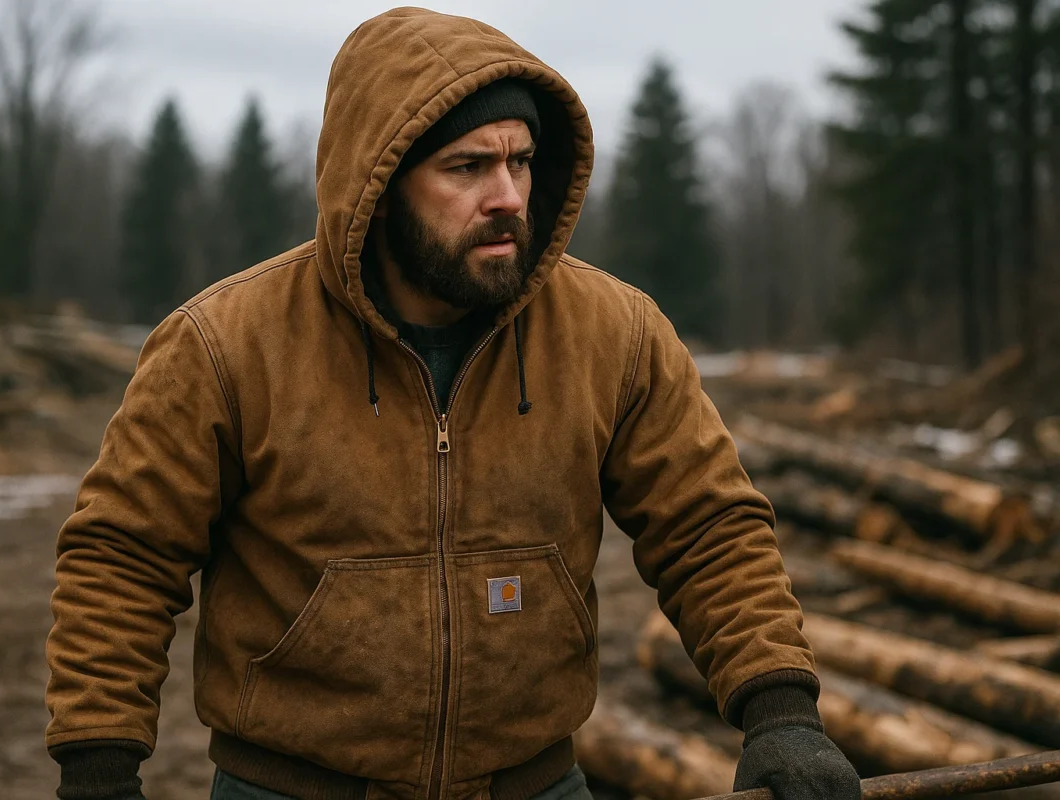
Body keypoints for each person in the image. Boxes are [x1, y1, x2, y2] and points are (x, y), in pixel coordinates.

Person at [44, 8, 861, 800]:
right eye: (467, 167)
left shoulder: (614, 333)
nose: (508, 195)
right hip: (290, 789)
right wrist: (97, 771)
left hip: (534, 784)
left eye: (521, 161)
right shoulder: (225, 344)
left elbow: (707, 527)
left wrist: (779, 710)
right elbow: (123, 558)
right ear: (379, 186)